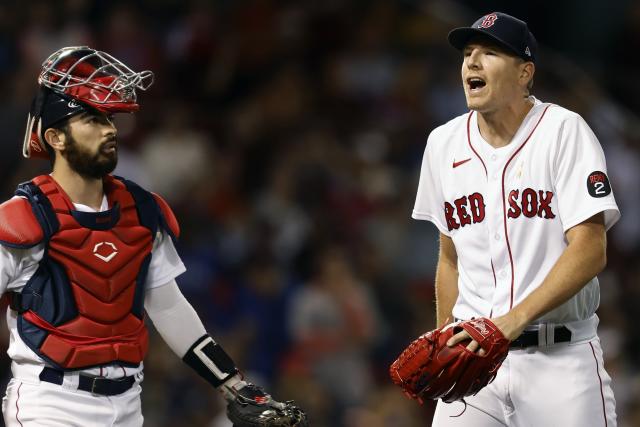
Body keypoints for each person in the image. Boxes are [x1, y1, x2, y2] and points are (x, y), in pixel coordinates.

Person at [0, 46, 306, 426]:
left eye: (110, 119)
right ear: (56, 138)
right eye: (93, 120)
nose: (109, 129)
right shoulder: (22, 218)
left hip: (128, 403)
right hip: (50, 403)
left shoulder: (141, 210)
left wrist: (233, 385)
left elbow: (169, 307)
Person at [412, 12, 619, 426]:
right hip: (473, 368)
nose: (472, 62)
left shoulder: (563, 131)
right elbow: (450, 257)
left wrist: (509, 323)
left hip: (559, 361)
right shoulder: (442, 144)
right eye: (468, 53)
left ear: (525, 73)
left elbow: (590, 249)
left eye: (489, 53)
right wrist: (443, 342)